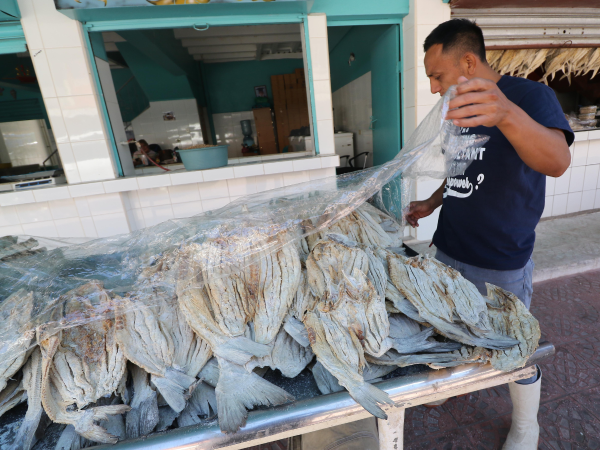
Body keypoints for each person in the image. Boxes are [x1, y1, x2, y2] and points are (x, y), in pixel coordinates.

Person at [405, 19, 573, 449]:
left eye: (436, 75)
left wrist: (506, 114)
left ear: (467, 61)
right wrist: (431, 202)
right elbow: (463, 166)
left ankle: (525, 424)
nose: (432, 88)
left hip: (501, 259)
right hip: (449, 248)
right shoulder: (457, 109)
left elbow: (556, 160)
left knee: (513, 347)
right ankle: (443, 382)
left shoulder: (530, 97)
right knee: (445, 327)